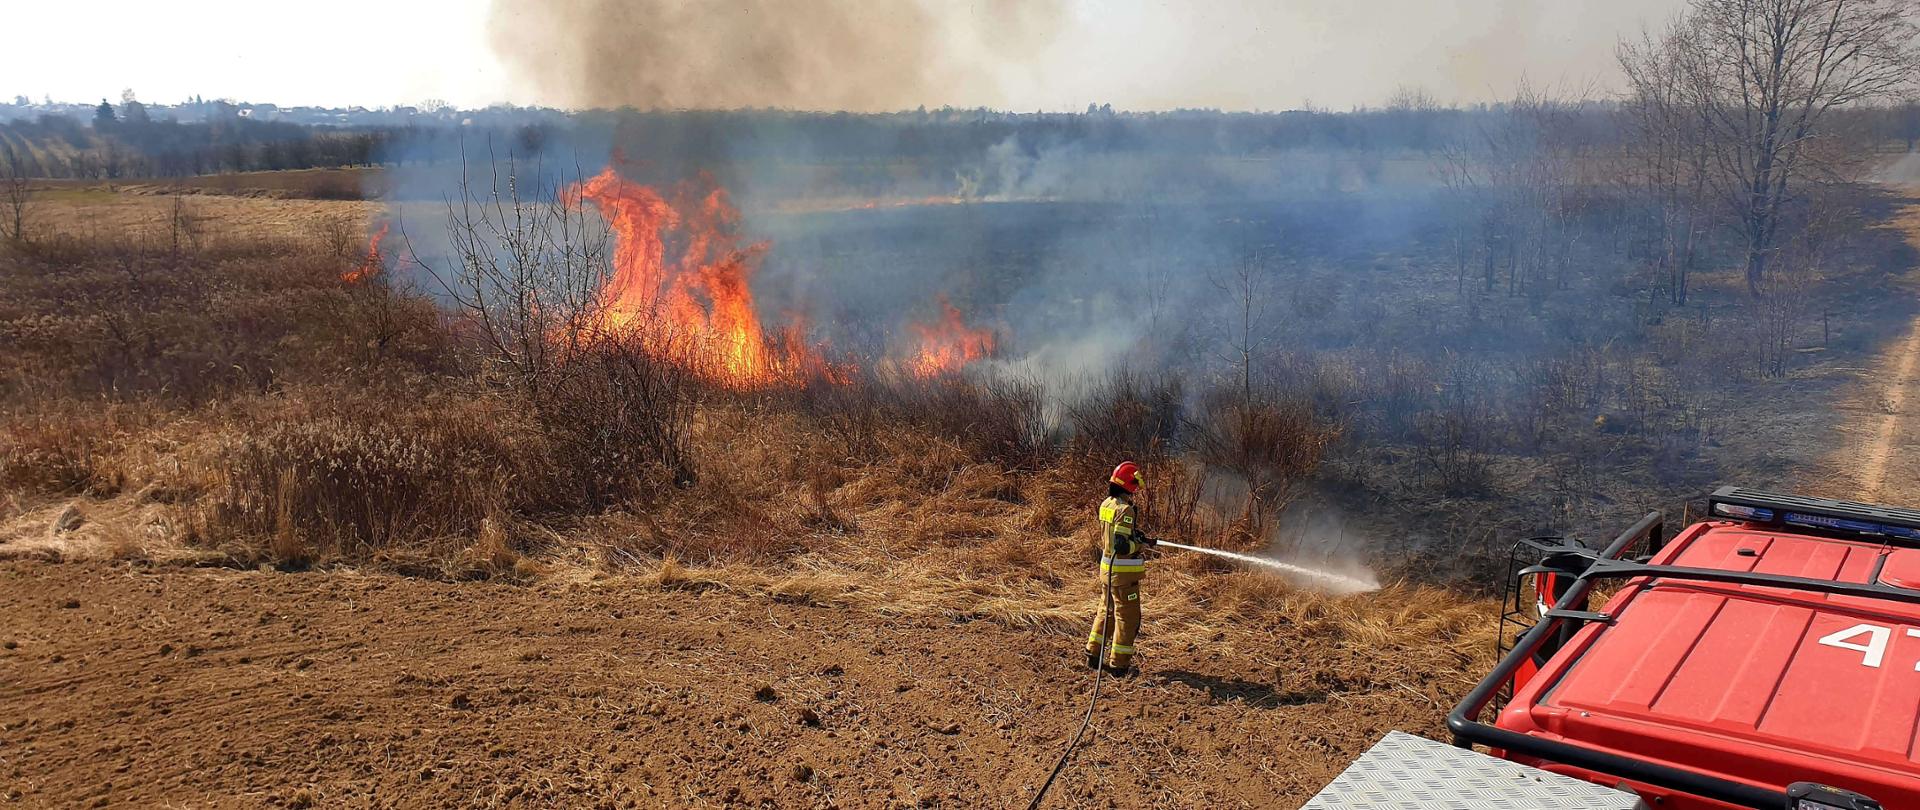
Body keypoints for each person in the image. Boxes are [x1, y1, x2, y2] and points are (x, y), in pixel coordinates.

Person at [1084, 460, 1156, 676]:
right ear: (1130, 484)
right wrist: (1139, 544)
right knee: (1128, 617)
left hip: (1107, 569)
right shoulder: (1126, 510)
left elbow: (1115, 534)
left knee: (1106, 611)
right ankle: (1119, 664)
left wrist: (1136, 535)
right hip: (1123, 575)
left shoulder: (1107, 504)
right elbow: (1122, 546)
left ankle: (1093, 653)